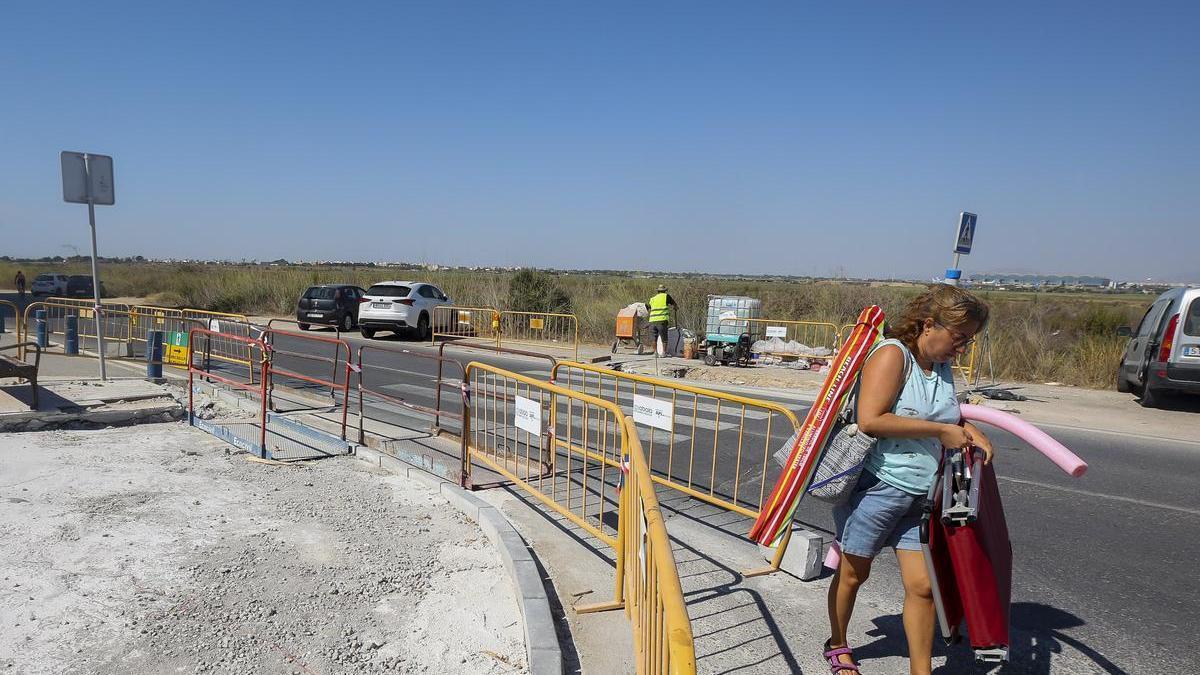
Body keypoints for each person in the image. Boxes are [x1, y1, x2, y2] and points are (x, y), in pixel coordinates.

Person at [825, 284, 992, 675]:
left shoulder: (943, 366)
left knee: (922, 586)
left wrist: (969, 428)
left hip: (922, 494)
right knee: (853, 573)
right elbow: (871, 419)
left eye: (969, 340)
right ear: (929, 325)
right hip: (878, 488)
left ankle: (921, 670)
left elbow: (941, 414)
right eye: (959, 337)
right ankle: (837, 643)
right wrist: (939, 433)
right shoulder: (891, 355)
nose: (963, 347)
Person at [646, 284, 678, 356]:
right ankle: (664, 353)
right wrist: (675, 308)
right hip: (662, 320)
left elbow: (649, 307)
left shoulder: (652, 298)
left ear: (658, 291)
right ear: (664, 291)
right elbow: (674, 304)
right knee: (664, 337)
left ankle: (655, 353)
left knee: (654, 337)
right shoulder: (666, 296)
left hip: (652, 320)